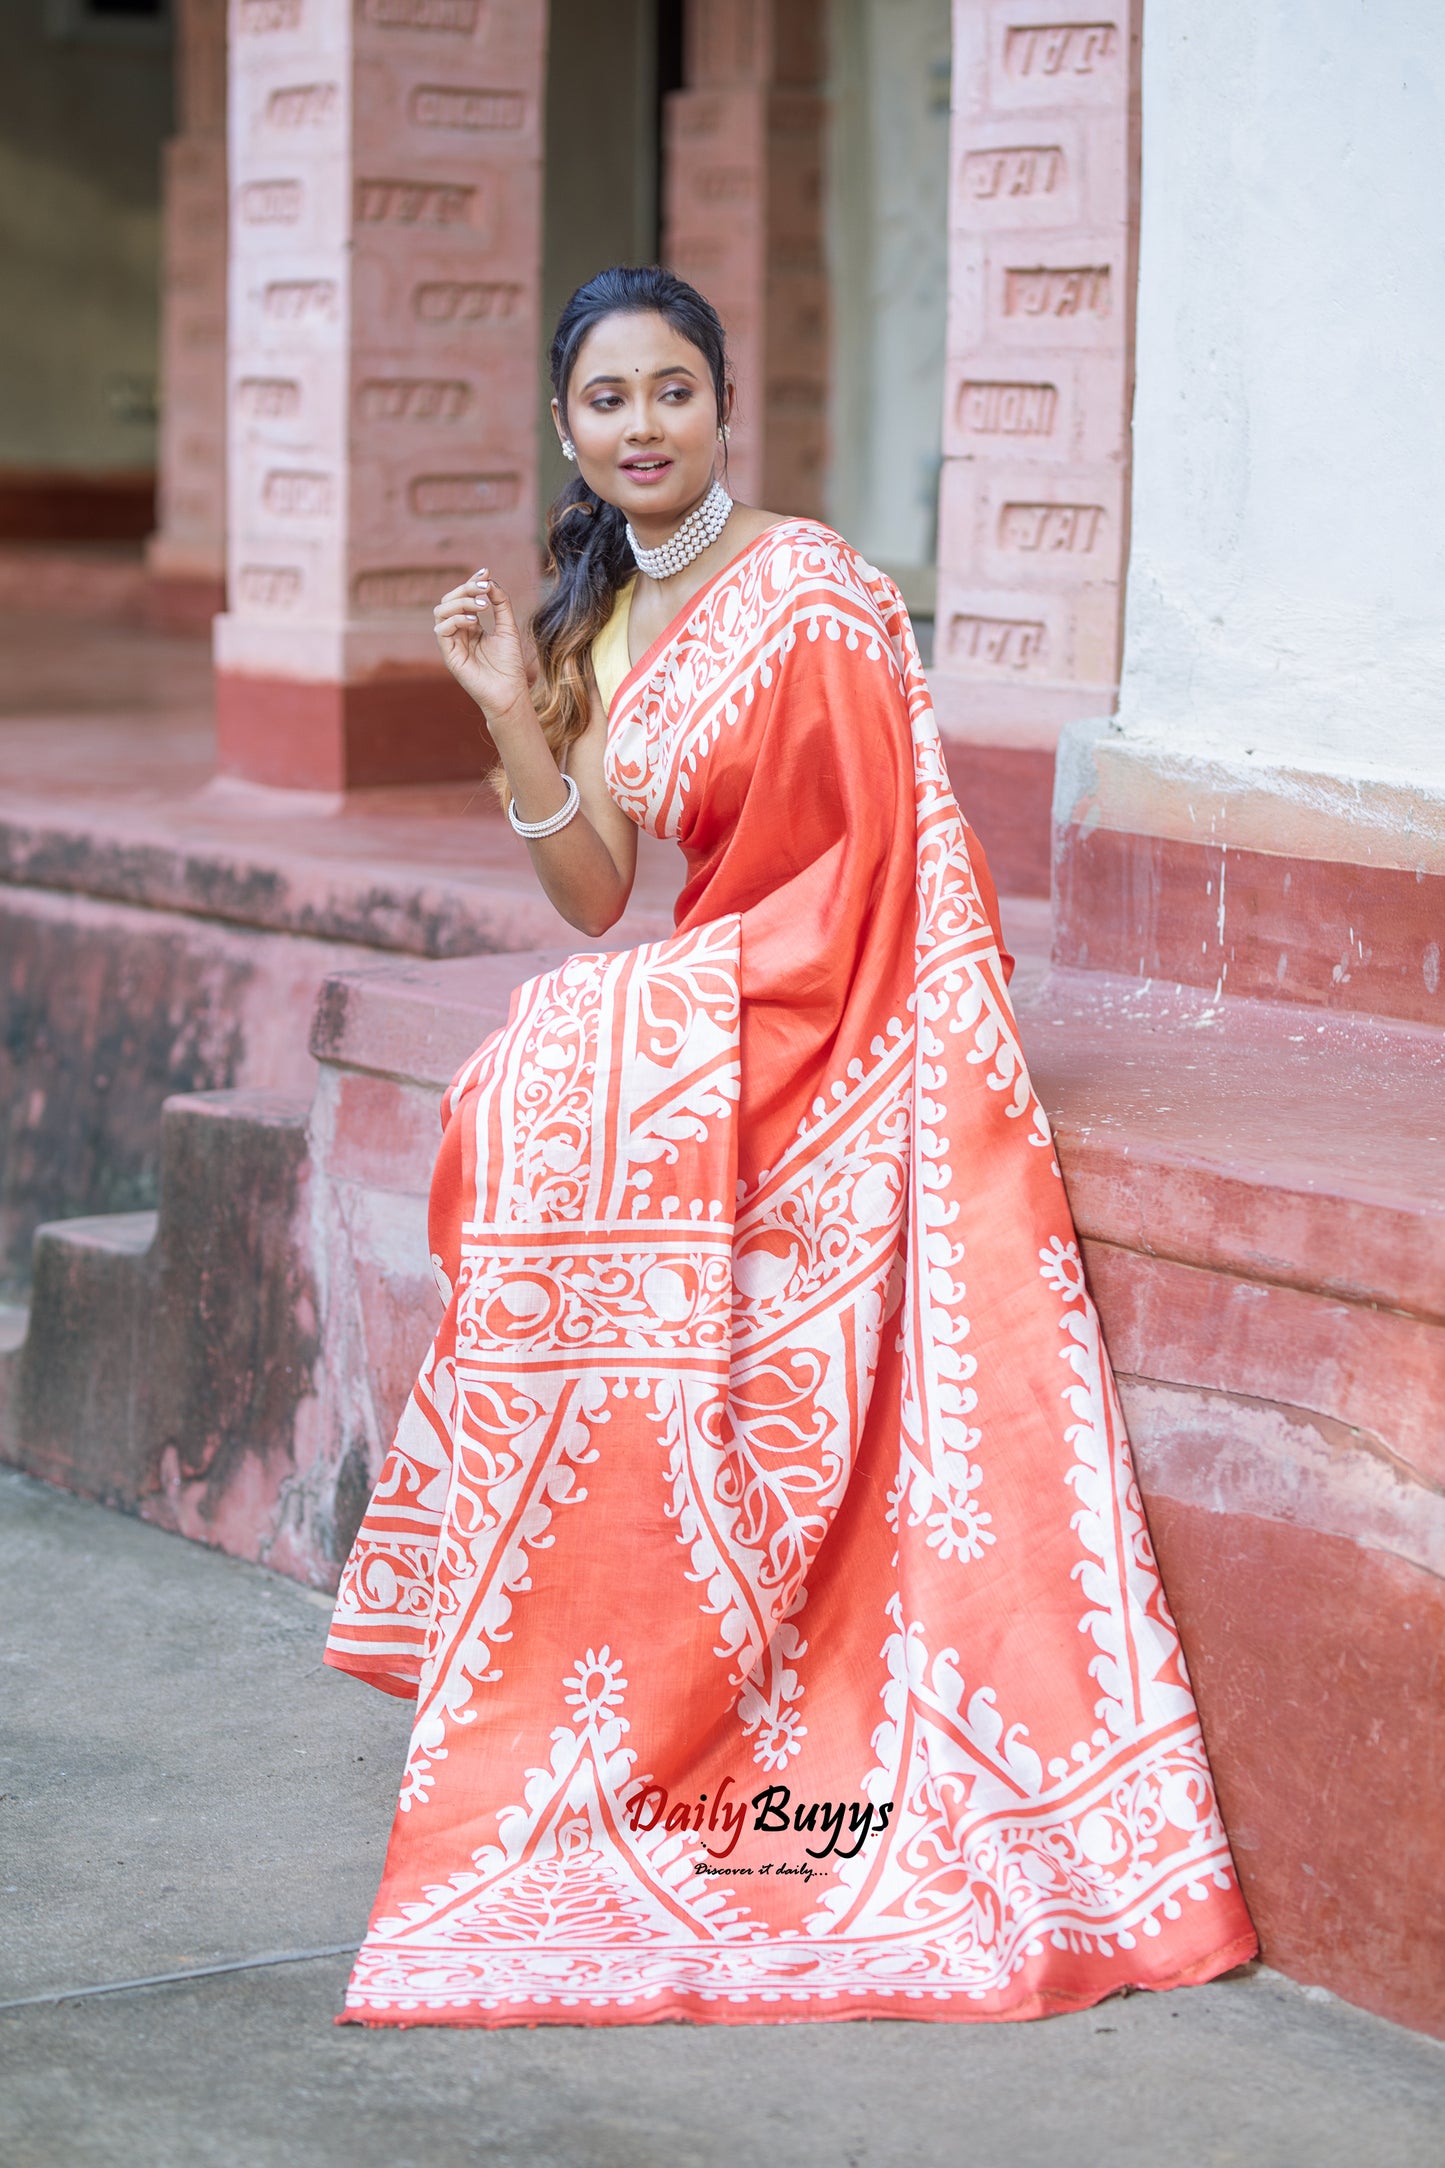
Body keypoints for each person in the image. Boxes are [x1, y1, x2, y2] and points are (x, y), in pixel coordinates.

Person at [325, 265, 1256, 2028]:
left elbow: (873, 863)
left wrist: (723, 1002)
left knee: (561, 1070)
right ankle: (598, 1659)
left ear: (723, 403)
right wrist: (510, 707)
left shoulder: (811, 585)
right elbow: (597, 895)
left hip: (847, 994)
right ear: (567, 430)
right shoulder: (593, 623)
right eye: (609, 403)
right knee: (534, 1086)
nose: (644, 428)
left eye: (674, 391)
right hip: (721, 984)